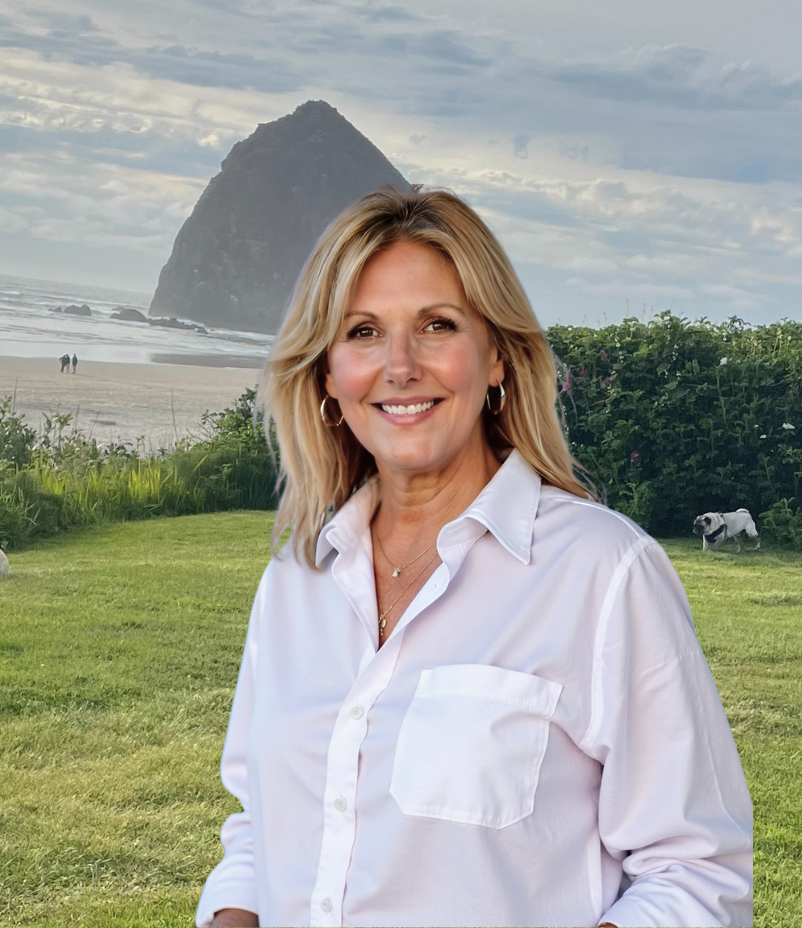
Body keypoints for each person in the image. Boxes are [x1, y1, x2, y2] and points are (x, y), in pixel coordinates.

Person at [197, 187, 752, 928]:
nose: (400, 366)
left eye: (436, 325)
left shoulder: (601, 571)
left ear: (496, 357)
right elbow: (261, 833)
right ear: (328, 377)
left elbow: (695, 873)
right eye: (363, 331)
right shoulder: (296, 582)